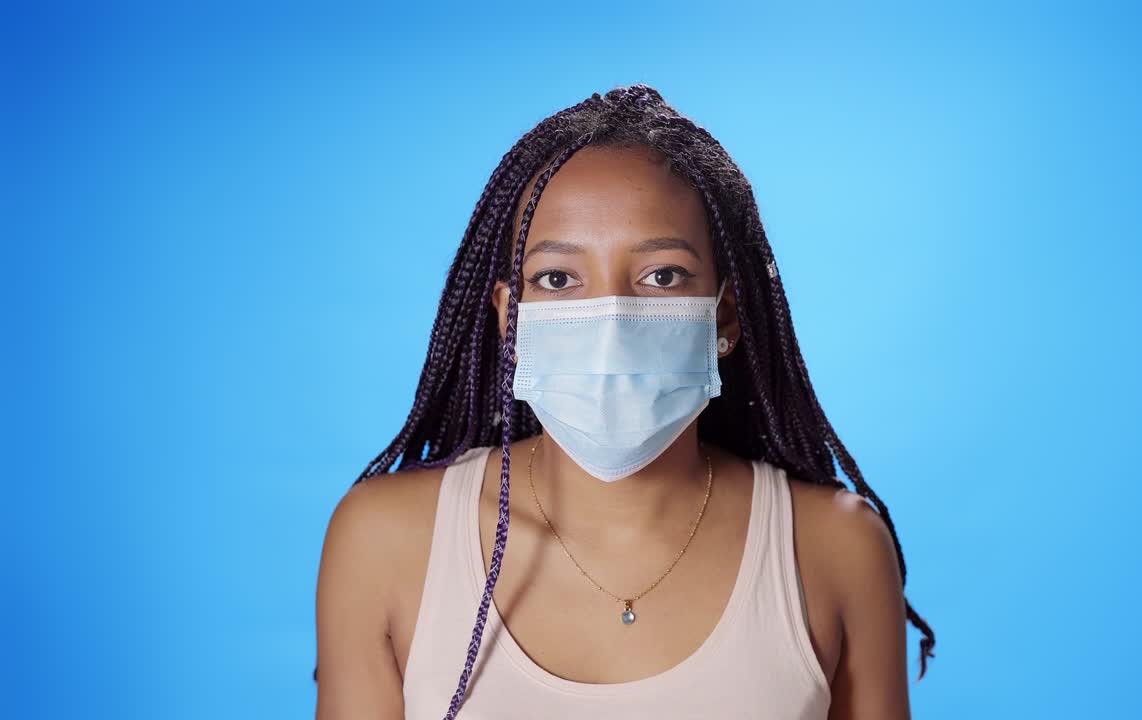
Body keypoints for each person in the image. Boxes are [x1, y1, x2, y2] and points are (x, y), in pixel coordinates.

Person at [314, 85, 935, 719]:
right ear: (512, 321)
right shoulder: (385, 543)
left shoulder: (835, 546)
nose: (610, 319)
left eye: (661, 275)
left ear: (724, 315)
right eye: (558, 279)